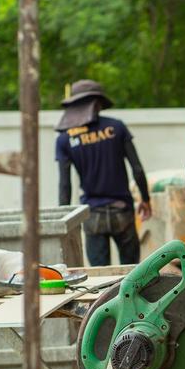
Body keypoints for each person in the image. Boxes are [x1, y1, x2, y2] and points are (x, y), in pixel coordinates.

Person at [55, 79, 152, 266]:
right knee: (132, 272)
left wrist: (64, 220)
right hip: (122, 210)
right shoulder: (117, 127)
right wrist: (145, 199)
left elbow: (64, 185)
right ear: (98, 104)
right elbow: (137, 169)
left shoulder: (64, 139)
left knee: (100, 277)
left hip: (92, 215)